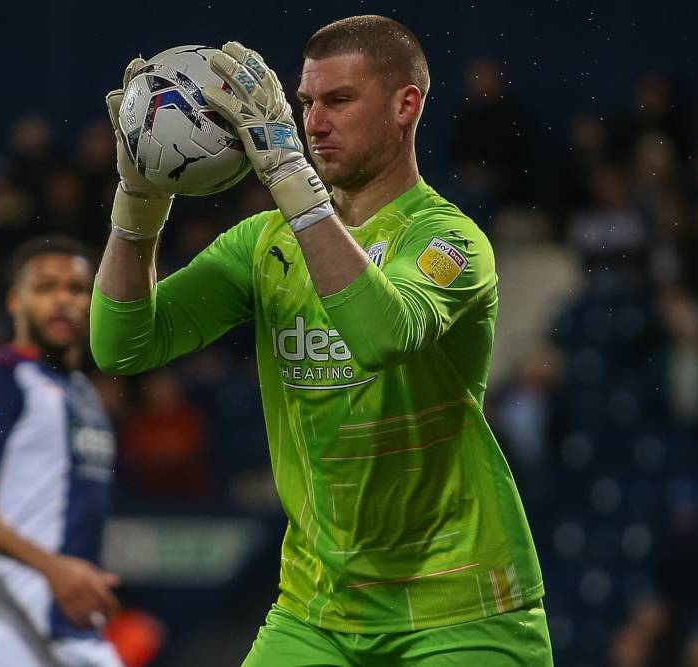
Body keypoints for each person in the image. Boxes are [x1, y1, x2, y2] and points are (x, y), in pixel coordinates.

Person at [92, 14, 551, 665]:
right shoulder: (263, 244)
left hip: (463, 609)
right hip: (319, 610)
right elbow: (123, 345)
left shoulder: (449, 241)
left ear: (405, 105)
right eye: (305, 102)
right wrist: (137, 201)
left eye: (338, 100)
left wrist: (289, 177)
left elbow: (380, 334)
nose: (313, 123)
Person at [0, 235, 124, 666]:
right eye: (45, 287)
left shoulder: (86, 396)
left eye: (76, 289)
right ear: (15, 302)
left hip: (70, 626)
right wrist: (54, 568)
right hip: (6, 627)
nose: (62, 300)